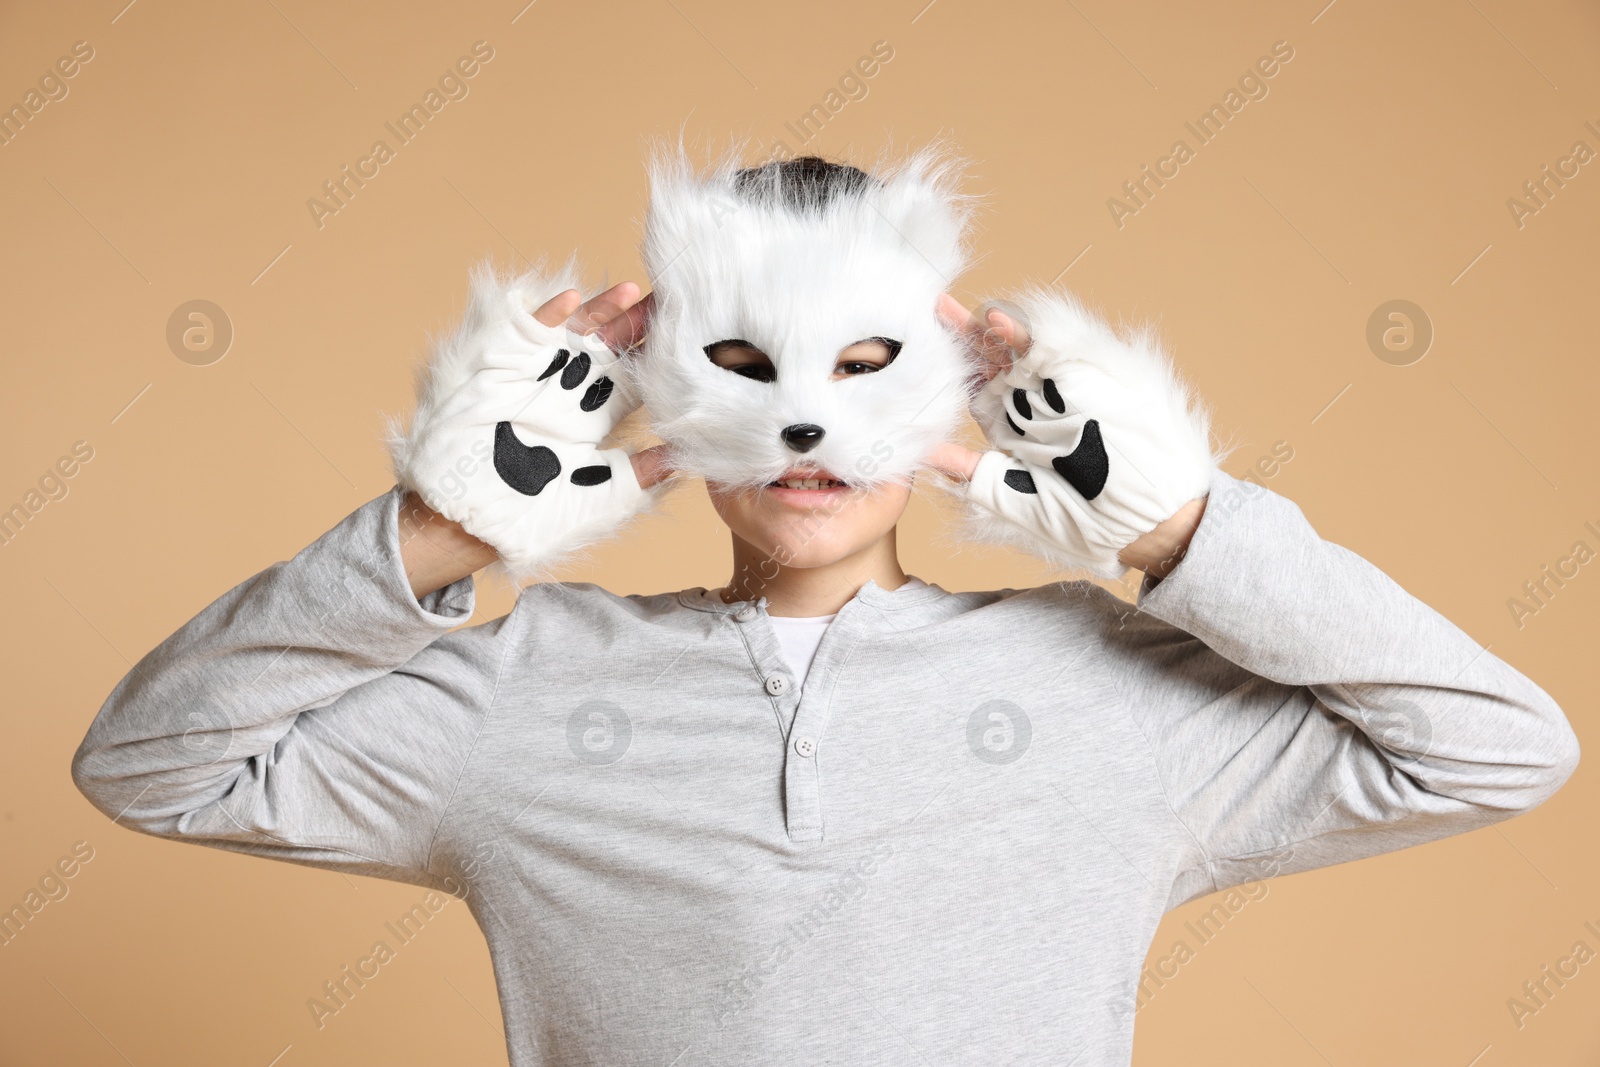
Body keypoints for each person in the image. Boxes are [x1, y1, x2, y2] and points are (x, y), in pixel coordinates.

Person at [72, 149, 1579, 1067]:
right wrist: (445, 522)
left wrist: (1168, 524)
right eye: (746, 373)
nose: (810, 427)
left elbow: (1496, 746)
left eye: (868, 371)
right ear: (661, 389)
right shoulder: (516, 696)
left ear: (955, 388)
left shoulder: (1118, 696)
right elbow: (151, 762)